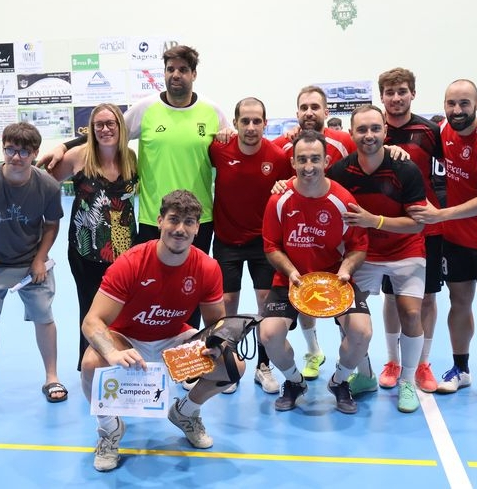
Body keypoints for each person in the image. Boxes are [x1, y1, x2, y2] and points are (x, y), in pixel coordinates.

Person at [40, 45, 230, 329]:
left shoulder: (212, 111)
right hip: (153, 219)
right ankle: (146, 346)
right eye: (170, 69)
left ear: (194, 74)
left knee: (191, 290)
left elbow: (234, 145)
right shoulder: (146, 108)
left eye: (183, 70)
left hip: (197, 220)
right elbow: (108, 132)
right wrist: (64, 146)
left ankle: (186, 348)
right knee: (147, 294)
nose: (176, 75)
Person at [81, 190, 244, 472]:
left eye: (189, 222)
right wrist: (111, 353)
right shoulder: (131, 262)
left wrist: (218, 343)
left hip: (173, 340)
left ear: (197, 227)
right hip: (127, 340)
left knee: (232, 365)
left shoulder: (207, 267)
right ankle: (109, 429)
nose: (180, 229)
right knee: (91, 363)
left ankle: (185, 412)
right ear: (159, 221)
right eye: (174, 220)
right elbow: (92, 321)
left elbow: (216, 324)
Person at [408, 79, 477, 408]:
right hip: (455, 237)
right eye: (451, 103)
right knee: (459, 301)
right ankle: (461, 368)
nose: (457, 110)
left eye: (464, 103)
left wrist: (441, 214)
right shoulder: (443, 131)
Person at [0, 122, 67, 410]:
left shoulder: (48, 185)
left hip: (31, 263)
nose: (16, 157)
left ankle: (52, 377)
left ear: (36, 153)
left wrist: (40, 258)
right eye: (10, 150)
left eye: (24, 152)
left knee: (44, 316)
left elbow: (51, 225)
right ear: (3, 149)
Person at [328, 104, 428, 413]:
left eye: (375, 128)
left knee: (410, 313)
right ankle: (365, 374)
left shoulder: (405, 169)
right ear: (351, 133)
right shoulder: (340, 172)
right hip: (363, 253)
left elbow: (417, 223)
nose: (368, 135)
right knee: (346, 315)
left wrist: (376, 221)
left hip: (406, 249)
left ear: (385, 131)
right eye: (362, 129)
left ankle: (407, 380)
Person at [261, 130, 369, 414]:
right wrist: (290, 271)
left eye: (315, 159)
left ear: (326, 161)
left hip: (334, 279)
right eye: (302, 159)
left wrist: (346, 268)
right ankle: (294, 382)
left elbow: (358, 247)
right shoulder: (279, 200)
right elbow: (271, 246)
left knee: (361, 332)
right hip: (291, 279)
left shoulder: (342, 200)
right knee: (269, 335)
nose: (308, 166)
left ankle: (340, 381)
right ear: (293, 162)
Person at [208, 97, 293, 395]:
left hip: (263, 242)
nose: (251, 127)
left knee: (265, 304)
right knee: (227, 304)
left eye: (257, 121)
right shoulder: (218, 149)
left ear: (265, 124)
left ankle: (263, 366)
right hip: (227, 239)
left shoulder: (277, 157)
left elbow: (288, 193)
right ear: (235, 123)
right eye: (245, 121)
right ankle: (227, 365)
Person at [49, 103, 138, 370]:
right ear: (91, 128)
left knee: (122, 310)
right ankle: (91, 367)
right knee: (90, 309)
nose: (105, 129)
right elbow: (45, 184)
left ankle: (122, 364)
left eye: (111, 123)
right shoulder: (78, 156)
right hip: (85, 249)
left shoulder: (130, 158)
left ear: (120, 126)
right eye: (99, 124)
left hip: (124, 250)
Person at [374, 68, 444, 394]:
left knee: (427, 296)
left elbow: (445, 175)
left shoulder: (429, 131)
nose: (396, 97)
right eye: (390, 92)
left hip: (428, 228)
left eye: (402, 91)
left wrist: (441, 212)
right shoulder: (375, 131)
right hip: (390, 230)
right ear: (382, 96)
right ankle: (392, 360)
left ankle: (423, 363)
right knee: (391, 297)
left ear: (412, 93)